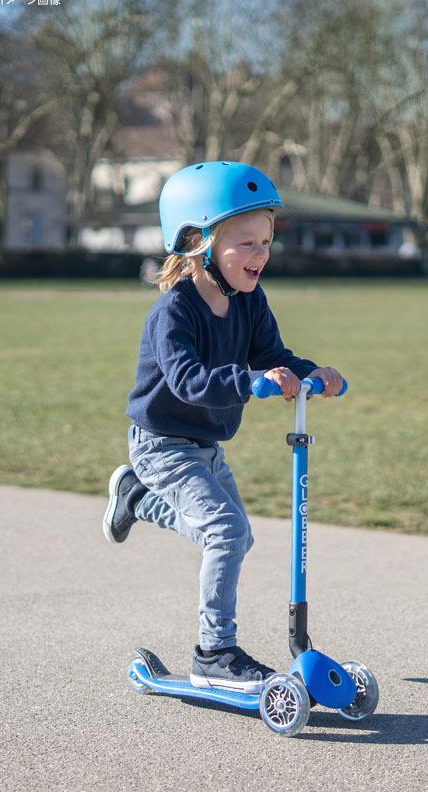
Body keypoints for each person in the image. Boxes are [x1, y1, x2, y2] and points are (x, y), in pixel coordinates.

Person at [102, 161, 344, 693]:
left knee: (236, 535)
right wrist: (252, 382)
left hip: (206, 444)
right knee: (226, 532)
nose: (261, 254)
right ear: (196, 241)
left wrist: (312, 374)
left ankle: (135, 501)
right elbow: (188, 380)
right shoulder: (173, 311)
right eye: (246, 243)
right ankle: (213, 652)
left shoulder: (249, 302)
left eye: (266, 241)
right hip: (162, 443)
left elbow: (273, 354)